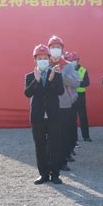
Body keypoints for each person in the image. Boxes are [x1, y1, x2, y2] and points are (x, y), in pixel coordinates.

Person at [24, 44, 64, 185]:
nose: (42, 60)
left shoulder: (56, 74)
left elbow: (60, 92)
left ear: (49, 59)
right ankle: (43, 174)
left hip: (53, 116)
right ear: (35, 60)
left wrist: (51, 80)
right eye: (39, 58)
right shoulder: (30, 76)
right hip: (38, 117)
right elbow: (27, 93)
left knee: (54, 146)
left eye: (45, 58)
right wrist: (37, 81)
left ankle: (55, 174)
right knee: (40, 146)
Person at [48, 36, 81, 171]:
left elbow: (76, 82)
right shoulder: (44, 63)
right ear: (49, 49)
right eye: (53, 47)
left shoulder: (67, 65)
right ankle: (51, 161)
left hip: (65, 104)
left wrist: (61, 74)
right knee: (50, 134)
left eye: (58, 47)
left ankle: (63, 160)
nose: (55, 50)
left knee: (64, 133)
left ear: (62, 49)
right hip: (48, 105)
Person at [71, 52, 91, 142]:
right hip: (70, 96)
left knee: (83, 117)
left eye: (75, 60)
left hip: (80, 96)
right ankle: (74, 138)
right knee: (72, 118)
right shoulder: (68, 69)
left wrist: (77, 83)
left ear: (78, 61)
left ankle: (86, 136)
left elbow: (87, 82)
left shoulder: (83, 70)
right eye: (71, 60)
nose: (73, 62)